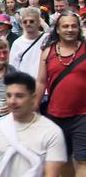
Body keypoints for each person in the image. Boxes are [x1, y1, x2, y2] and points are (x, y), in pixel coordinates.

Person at [0, 72, 67, 177]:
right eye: (9, 95)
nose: (12, 101)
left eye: (19, 96)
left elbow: (51, 173)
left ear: (33, 98)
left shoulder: (52, 132)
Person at [36, 11, 86, 177]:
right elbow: (41, 82)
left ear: (79, 29)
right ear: (57, 29)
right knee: (62, 161)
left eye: (73, 26)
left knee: (82, 160)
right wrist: (34, 108)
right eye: (65, 26)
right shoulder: (47, 52)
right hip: (55, 115)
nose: (70, 29)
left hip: (83, 115)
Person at [9, 7, 47, 79]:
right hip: (24, 85)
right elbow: (13, 68)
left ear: (39, 23)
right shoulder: (17, 43)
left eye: (31, 21)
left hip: (45, 85)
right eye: (25, 22)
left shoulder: (47, 39)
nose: (28, 24)